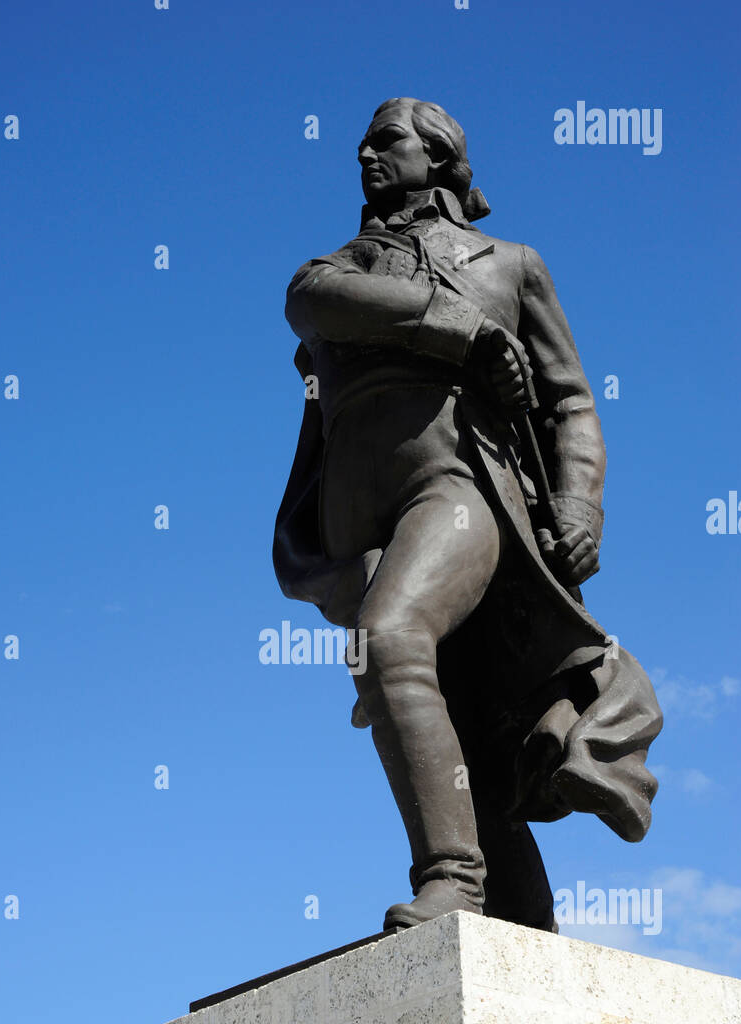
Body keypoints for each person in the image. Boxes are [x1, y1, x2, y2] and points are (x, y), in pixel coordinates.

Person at [275, 98, 662, 933]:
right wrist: (461, 333)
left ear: (439, 156)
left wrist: (577, 499)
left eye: (385, 141)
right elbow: (310, 304)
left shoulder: (510, 263)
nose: (363, 155)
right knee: (466, 744)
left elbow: (569, 402)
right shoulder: (332, 273)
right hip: (353, 523)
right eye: (362, 142)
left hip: (455, 489)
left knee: (390, 641)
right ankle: (523, 931)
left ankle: (450, 878)